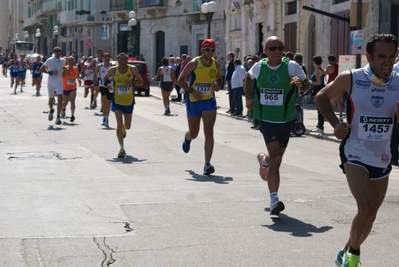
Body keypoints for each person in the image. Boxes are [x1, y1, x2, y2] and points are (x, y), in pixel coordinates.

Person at [316, 33, 399, 267]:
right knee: (368, 207)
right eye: (382, 56)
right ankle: (352, 256)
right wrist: (335, 124)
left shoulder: (398, 81)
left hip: (382, 155)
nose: (387, 61)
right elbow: (322, 96)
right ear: (369, 56)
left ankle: (347, 249)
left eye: (392, 56)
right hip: (355, 152)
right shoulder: (350, 78)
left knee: (370, 214)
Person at [244, 36, 309, 216]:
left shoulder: (292, 66)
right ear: (265, 51)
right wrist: (248, 98)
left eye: (280, 47)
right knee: (277, 157)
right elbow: (248, 79)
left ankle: (263, 161)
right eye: (273, 48)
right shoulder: (259, 67)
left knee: (275, 159)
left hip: (286, 119)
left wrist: (301, 84)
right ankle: (274, 199)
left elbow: (306, 85)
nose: (277, 51)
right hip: (265, 118)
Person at [177, 39, 222, 175]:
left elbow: (219, 79)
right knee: (194, 133)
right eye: (208, 50)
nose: (210, 52)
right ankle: (187, 137)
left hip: (208, 101)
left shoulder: (216, 65)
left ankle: (207, 164)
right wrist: (192, 91)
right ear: (202, 50)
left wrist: (218, 85)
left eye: (212, 50)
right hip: (193, 100)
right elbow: (179, 80)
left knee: (209, 130)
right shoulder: (194, 63)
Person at [102, 52, 144, 158]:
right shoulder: (113, 70)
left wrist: (133, 83)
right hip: (117, 100)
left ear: (128, 60)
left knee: (127, 126)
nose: (123, 61)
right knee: (119, 124)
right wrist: (108, 85)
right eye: (120, 59)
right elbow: (104, 78)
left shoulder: (133, 69)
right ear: (117, 60)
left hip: (129, 101)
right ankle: (121, 148)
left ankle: (124, 130)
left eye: (125, 59)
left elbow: (141, 81)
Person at [40, 47, 66, 125]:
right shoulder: (50, 60)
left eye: (59, 51)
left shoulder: (63, 61)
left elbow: (64, 68)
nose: (58, 52)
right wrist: (50, 73)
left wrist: (64, 73)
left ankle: (58, 117)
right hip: (51, 81)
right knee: (51, 98)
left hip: (59, 81)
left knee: (60, 98)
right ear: (53, 52)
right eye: (56, 51)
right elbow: (41, 69)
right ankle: (51, 110)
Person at [93, 52, 113, 127]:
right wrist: (95, 80)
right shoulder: (100, 66)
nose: (106, 58)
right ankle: (104, 118)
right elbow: (95, 73)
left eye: (108, 56)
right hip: (102, 85)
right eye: (105, 56)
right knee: (104, 100)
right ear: (103, 58)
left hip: (111, 86)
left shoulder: (112, 66)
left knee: (108, 103)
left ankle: (107, 117)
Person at [309, 56, 326, 133]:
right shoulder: (321, 69)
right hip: (321, 89)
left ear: (314, 62)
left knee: (320, 109)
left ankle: (320, 126)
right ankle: (319, 125)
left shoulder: (318, 71)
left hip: (319, 89)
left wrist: (310, 82)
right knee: (320, 109)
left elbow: (318, 82)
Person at [325, 54, 343, 121]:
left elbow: (326, 73)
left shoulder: (330, 66)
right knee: (338, 101)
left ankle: (328, 115)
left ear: (329, 60)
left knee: (328, 100)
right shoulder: (339, 65)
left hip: (331, 85)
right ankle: (340, 115)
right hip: (338, 84)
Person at [61, 56, 79, 122]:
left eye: (72, 60)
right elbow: (61, 76)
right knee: (65, 102)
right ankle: (63, 108)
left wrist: (78, 80)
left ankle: (72, 115)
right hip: (65, 88)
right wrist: (66, 73)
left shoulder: (76, 68)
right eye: (70, 60)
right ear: (67, 61)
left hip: (73, 88)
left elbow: (77, 75)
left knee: (72, 101)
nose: (71, 61)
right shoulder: (65, 68)